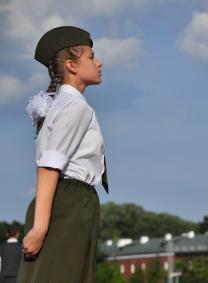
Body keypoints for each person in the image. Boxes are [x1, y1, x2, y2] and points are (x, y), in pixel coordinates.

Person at [17, 26, 109, 283]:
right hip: (68, 203)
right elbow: (49, 166)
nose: (99, 62)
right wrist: (40, 228)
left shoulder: (63, 104)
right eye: (91, 57)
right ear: (71, 65)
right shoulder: (75, 106)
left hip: (64, 202)